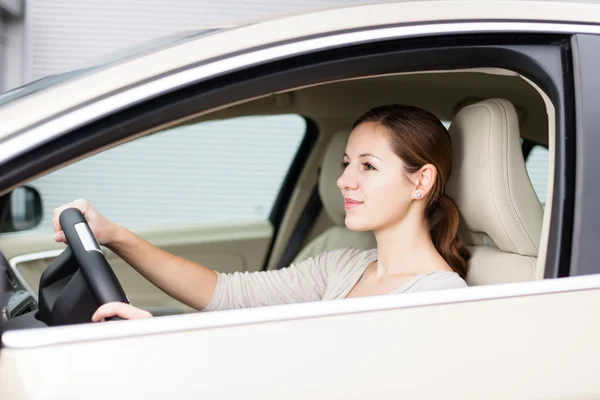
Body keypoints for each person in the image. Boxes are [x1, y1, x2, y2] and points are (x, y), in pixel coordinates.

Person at [52, 104, 471, 321]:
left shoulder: (438, 300)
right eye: (346, 164)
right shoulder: (345, 265)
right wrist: (115, 235)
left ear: (421, 181)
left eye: (368, 166)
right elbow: (228, 294)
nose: (344, 180)